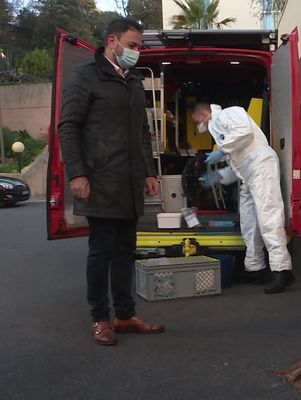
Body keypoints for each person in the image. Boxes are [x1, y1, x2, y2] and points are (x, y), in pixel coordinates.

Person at [58, 18, 165, 346]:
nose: (137, 53)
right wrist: (77, 172)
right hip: (100, 182)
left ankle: (124, 313)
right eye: (132, 46)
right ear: (112, 41)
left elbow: (143, 133)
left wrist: (149, 171)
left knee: (125, 252)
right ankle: (100, 319)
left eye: (139, 47)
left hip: (130, 183)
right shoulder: (85, 77)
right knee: (101, 252)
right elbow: (68, 126)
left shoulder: (133, 82)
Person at [192, 102, 295, 294]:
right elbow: (238, 163)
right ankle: (256, 268)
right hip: (249, 174)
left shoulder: (229, 114)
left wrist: (221, 151)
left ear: (204, 114)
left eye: (198, 121)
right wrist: (218, 177)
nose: (199, 126)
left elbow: (245, 132)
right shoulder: (220, 130)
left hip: (261, 166)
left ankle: (282, 270)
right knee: (249, 222)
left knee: (268, 218)